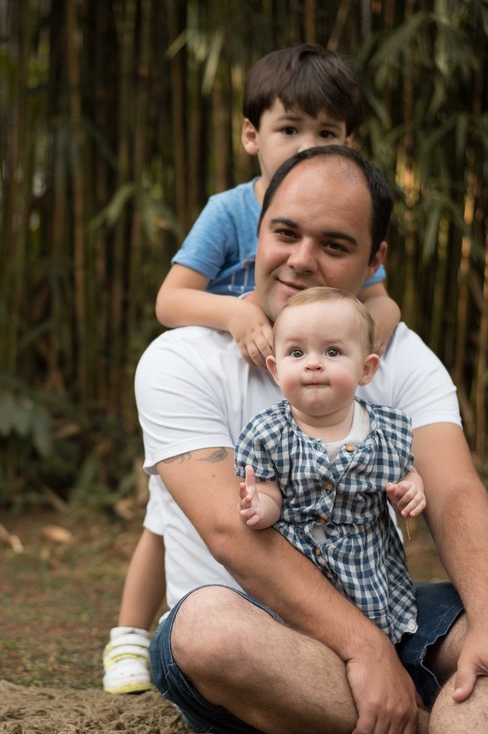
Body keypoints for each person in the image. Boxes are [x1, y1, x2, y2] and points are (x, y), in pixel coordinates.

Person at [134, 145, 488, 734]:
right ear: (259, 228)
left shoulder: (396, 360)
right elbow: (232, 534)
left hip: (379, 606)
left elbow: (455, 489)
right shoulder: (181, 359)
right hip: (252, 637)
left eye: (334, 244)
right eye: (285, 232)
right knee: (207, 630)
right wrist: (362, 650)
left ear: (375, 260)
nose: (300, 259)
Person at [103, 42, 402, 695]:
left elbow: (381, 300)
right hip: (224, 383)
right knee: (169, 518)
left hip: (297, 396)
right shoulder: (230, 210)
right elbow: (170, 298)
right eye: (289, 129)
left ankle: (307, 636)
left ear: (349, 142)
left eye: (325, 133)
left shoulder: (345, 213)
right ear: (250, 135)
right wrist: (236, 316)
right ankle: (127, 636)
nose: (304, 146)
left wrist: (354, 340)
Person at [236, 287, 426, 647]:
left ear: (366, 369)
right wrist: (259, 506)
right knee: (299, 648)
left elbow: (405, 471)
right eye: (296, 352)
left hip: (367, 569)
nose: (312, 363)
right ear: (276, 370)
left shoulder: (387, 429)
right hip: (298, 573)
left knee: (376, 643)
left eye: (333, 352)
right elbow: (269, 494)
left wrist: (411, 488)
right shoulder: (267, 434)